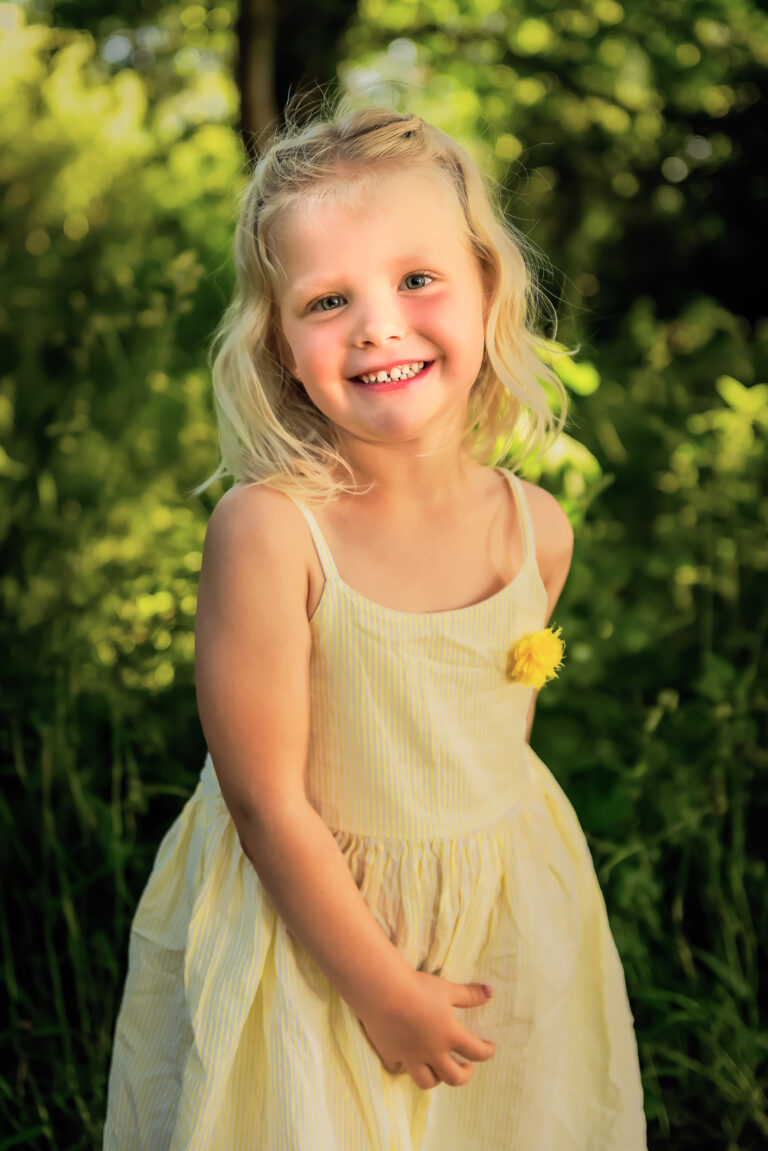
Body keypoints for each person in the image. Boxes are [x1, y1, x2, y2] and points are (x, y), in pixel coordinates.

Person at [103, 99, 648, 1150]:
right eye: (326, 299)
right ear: (278, 345)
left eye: (417, 279)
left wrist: (469, 925)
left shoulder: (533, 530)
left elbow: (494, 741)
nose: (378, 325)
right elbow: (265, 803)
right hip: (308, 930)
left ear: (489, 287)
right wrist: (383, 985)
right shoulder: (269, 534)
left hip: (493, 913)